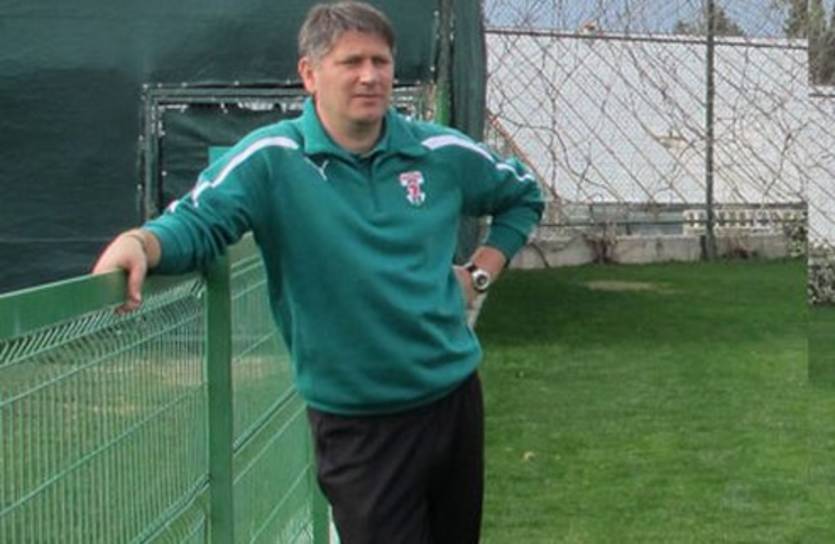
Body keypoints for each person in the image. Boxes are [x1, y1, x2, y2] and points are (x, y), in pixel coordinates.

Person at [93, 2, 543, 542]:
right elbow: (198, 221)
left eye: (380, 61)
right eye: (351, 62)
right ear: (309, 73)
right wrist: (142, 243)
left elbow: (523, 195)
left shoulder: (438, 151)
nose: (370, 76)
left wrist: (479, 274)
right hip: (358, 426)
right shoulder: (272, 159)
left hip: (453, 401)